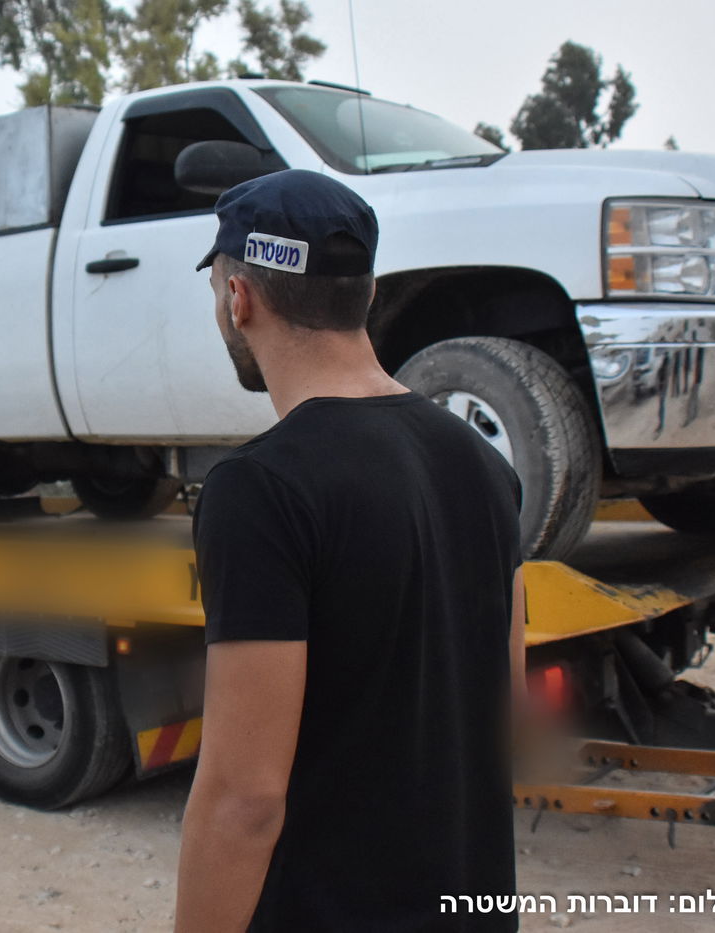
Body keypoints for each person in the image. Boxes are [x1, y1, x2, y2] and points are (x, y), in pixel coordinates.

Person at [174, 170, 525, 932]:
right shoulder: (485, 464)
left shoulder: (260, 489)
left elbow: (245, 796)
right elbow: (507, 707)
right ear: (365, 296)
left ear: (240, 300)